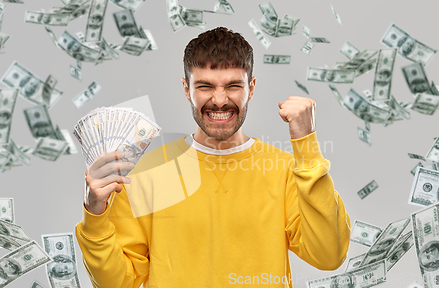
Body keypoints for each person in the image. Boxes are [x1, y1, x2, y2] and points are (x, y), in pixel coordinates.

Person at [75, 27, 351, 288]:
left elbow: (328, 256)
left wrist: (307, 147)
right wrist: (95, 214)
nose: (219, 100)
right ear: (187, 89)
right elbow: (118, 282)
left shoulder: (286, 171)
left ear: (251, 88)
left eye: (233, 86)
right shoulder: (149, 172)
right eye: (205, 86)